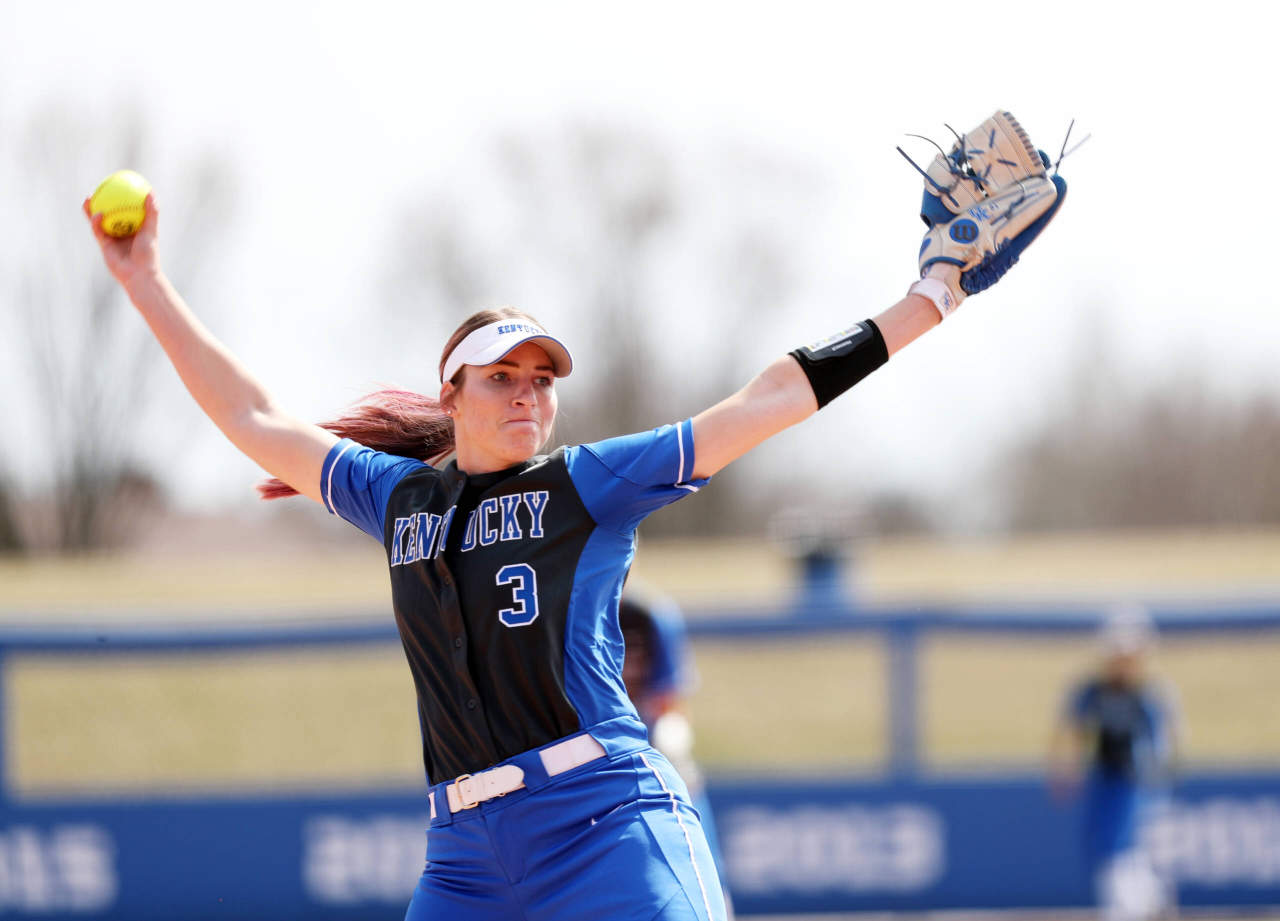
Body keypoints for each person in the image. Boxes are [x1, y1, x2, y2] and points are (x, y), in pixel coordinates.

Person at [84, 111, 1064, 920]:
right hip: (463, 861)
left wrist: (928, 296)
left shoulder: (584, 486)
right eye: (502, 377)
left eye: (541, 377)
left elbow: (763, 399)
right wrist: (143, 281)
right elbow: (254, 418)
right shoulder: (399, 501)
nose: (527, 394)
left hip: (601, 823)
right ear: (452, 393)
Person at [1050, 606, 1182, 921]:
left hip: (1134, 783)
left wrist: (1156, 777)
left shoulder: (1151, 694)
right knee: (1103, 849)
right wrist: (1063, 770)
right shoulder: (1093, 691)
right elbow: (1071, 729)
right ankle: (1137, 905)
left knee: (1126, 852)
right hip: (1103, 780)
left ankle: (1136, 907)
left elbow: (1166, 742)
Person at [619, 587, 734, 916]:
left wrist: (666, 751)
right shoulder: (567, 612)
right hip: (590, 764)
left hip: (649, 754)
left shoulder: (648, 615)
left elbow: (669, 704)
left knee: (683, 776)